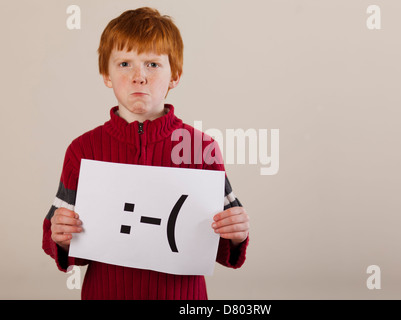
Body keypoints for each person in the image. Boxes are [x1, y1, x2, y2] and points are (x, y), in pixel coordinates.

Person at [42, 7, 249, 300]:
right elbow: (57, 235)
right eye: (125, 63)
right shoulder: (82, 151)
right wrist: (61, 237)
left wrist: (237, 233)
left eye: (152, 64)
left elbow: (223, 240)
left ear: (174, 75)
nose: (139, 76)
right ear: (106, 75)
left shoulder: (201, 149)